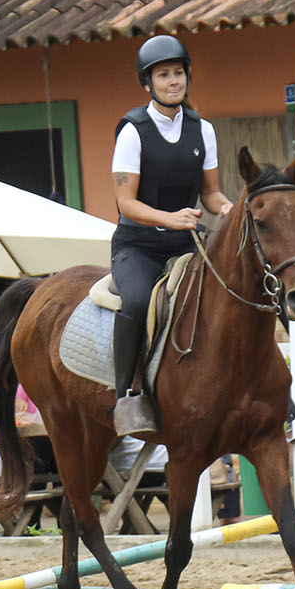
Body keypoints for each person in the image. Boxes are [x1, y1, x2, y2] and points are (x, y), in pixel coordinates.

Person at [109, 34, 233, 435]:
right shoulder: (133, 131)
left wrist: (229, 209)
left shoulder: (204, 130)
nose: (173, 81)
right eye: (163, 75)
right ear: (148, 83)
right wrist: (169, 217)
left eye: (178, 73)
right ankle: (125, 397)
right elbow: (125, 202)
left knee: (232, 290)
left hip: (187, 242)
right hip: (139, 246)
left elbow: (210, 193)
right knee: (137, 301)